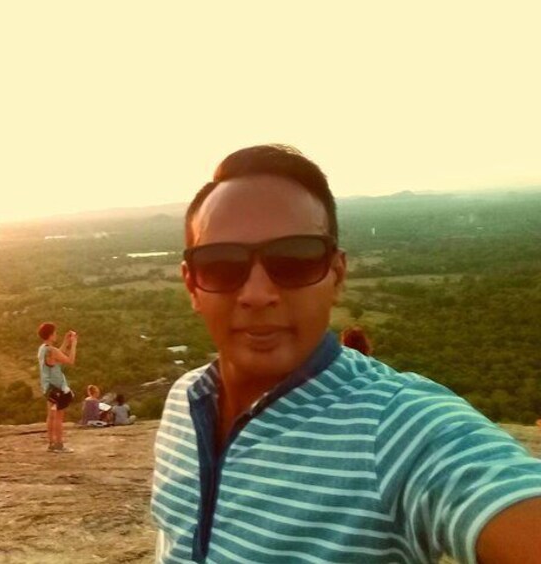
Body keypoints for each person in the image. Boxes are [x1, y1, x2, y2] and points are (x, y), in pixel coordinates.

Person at [151, 144, 541, 563]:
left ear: (336, 275)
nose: (257, 294)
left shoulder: (398, 426)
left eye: (295, 259)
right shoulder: (183, 401)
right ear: (192, 285)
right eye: (222, 264)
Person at [37, 322, 77, 453]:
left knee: (51, 416)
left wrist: (66, 342)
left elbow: (57, 355)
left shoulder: (43, 348)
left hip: (48, 388)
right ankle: (59, 444)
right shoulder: (52, 351)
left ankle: (51, 443)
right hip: (58, 389)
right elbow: (70, 360)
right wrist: (74, 344)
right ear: (50, 334)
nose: (56, 334)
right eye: (55, 332)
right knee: (59, 417)